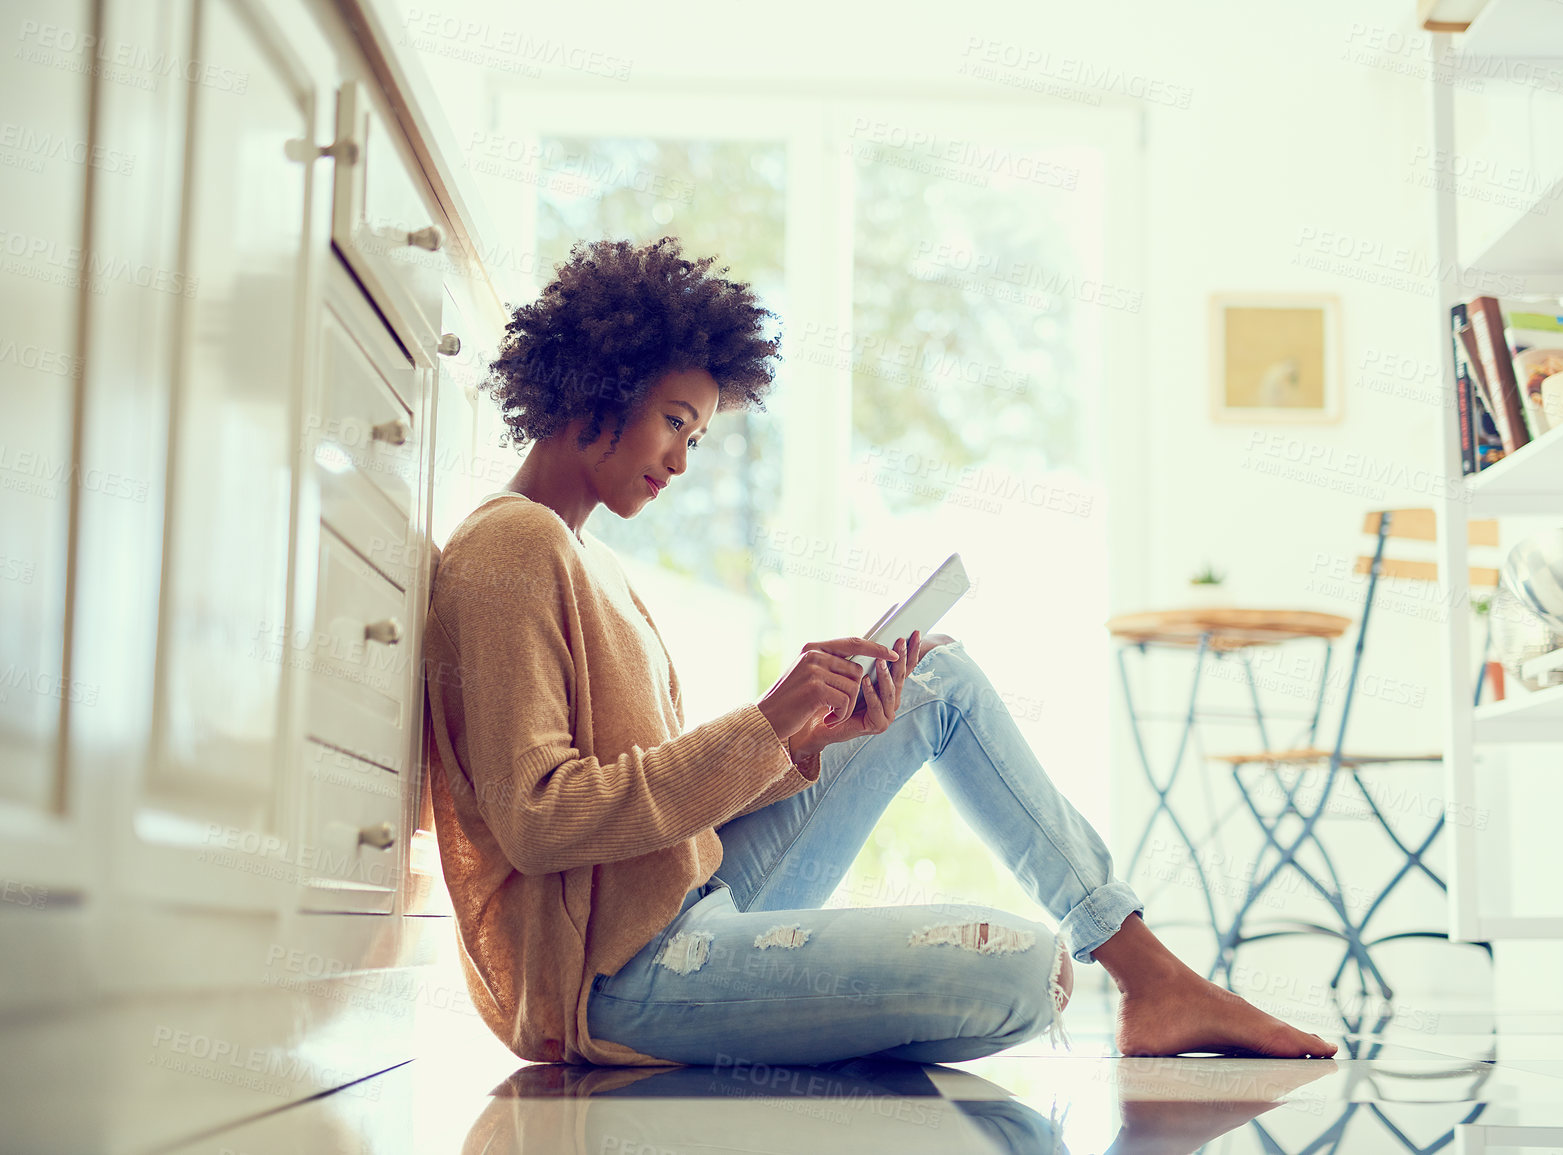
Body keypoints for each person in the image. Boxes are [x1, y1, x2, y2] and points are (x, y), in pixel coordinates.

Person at [423, 236, 1337, 1068]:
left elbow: (653, 815)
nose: (682, 460)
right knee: (1021, 972)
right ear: (599, 383)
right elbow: (540, 820)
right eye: (673, 422)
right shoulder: (511, 547)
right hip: (613, 976)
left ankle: (1148, 970)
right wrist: (764, 723)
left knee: (932, 671)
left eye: (696, 436)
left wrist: (805, 742)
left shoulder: (591, 560)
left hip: (685, 900)